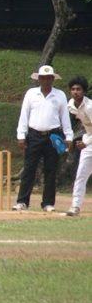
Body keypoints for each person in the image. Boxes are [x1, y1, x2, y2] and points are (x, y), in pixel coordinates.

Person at [14, 65, 73, 212]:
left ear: (53, 79)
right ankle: (22, 201)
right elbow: (24, 115)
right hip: (34, 135)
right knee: (29, 168)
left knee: (51, 170)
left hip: (53, 135)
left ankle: (48, 203)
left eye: (49, 78)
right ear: (39, 79)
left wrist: (69, 136)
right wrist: (21, 135)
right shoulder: (31, 93)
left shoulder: (59, 95)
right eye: (43, 78)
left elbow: (65, 117)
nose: (46, 81)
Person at [65, 76, 92, 216]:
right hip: (89, 141)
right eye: (73, 89)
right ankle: (75, 206)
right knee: (81, 174)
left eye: (79, 89)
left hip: (88, 141)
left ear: (84, 91)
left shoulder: (90, 106)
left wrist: (85, 142)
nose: (75, 92)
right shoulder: (71, 105)